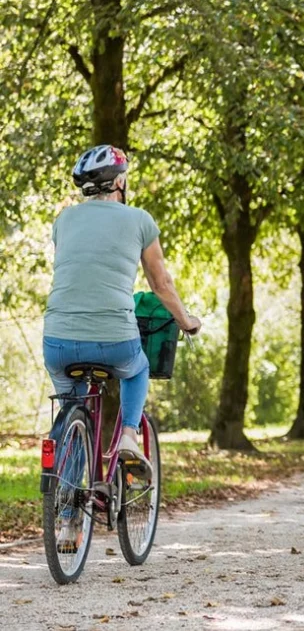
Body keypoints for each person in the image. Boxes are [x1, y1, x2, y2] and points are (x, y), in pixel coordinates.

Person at [44, 145, 202, 547]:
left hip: (57, 341)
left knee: (71, 411)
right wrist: (186, 322)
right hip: (114, 337)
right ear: (119, 181)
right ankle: (129, 434)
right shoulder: (139, 220)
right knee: (137, 368)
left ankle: (68, 523)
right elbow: (160, 284)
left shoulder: (64, 220)